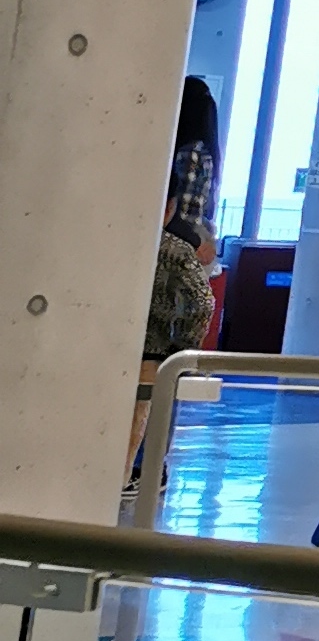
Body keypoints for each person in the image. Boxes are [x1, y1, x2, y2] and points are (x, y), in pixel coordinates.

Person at [134, 79, 222, 463]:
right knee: (161, 371)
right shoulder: (208, 153)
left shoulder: (186, 152)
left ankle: (142, 463)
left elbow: (177, 212)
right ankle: (154, 462)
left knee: (151, 363)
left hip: (176, 249)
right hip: (195, 249)